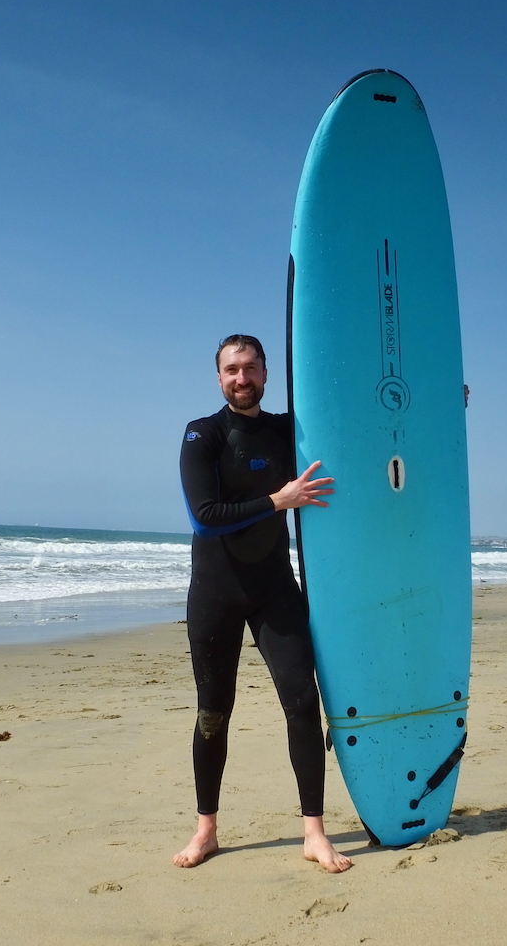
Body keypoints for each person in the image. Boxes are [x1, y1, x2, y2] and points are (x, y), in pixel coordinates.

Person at [172, 333, 352, 873]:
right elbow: (205, 514)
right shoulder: (201, 435)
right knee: (213, 713)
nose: (241, 378)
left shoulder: (285, 429)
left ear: (266, 372)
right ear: (219, 377)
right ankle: (206, 830)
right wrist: (281, 499)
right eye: (231, 370)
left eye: (250, 368)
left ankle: (314, 833)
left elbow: (352, 422)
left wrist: (438, 399)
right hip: (215, 592)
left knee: (302, 702)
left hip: (274, 587)